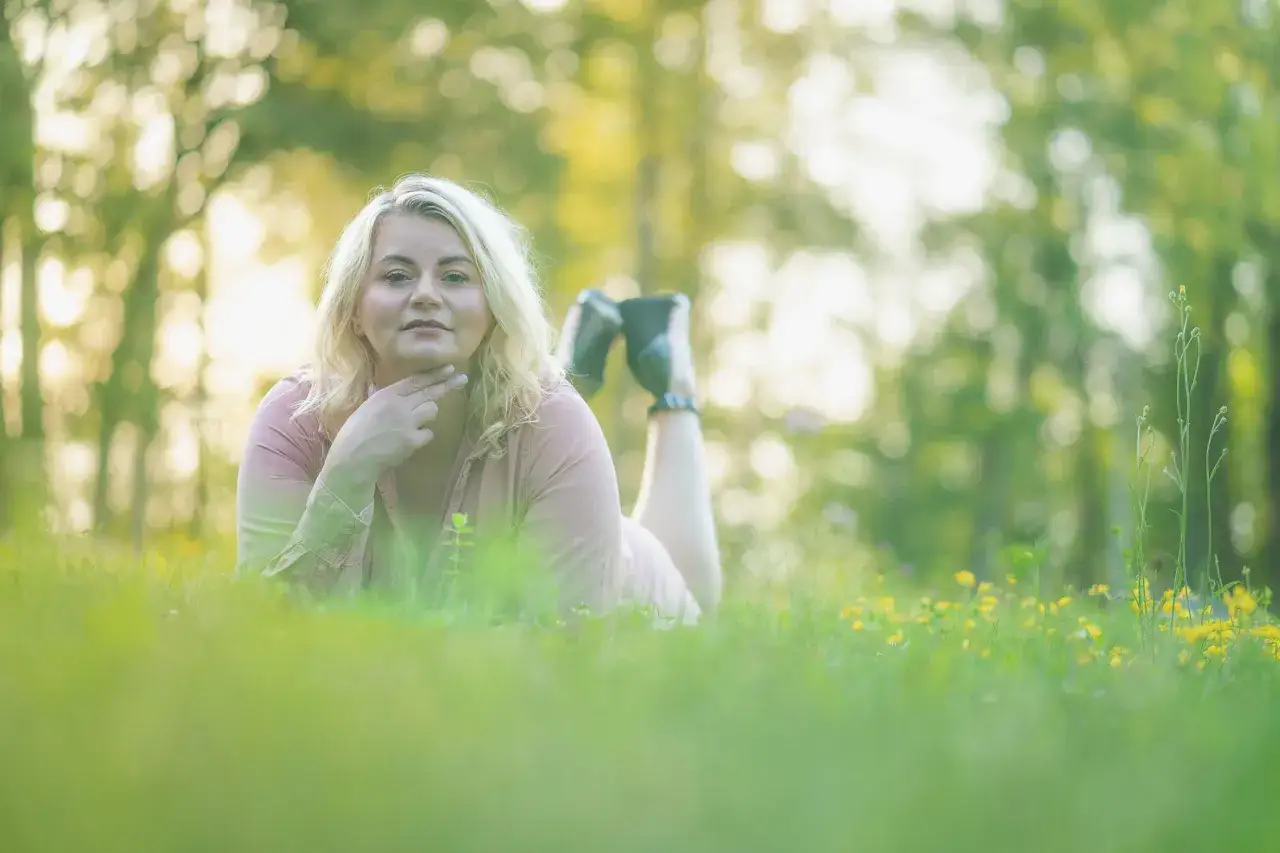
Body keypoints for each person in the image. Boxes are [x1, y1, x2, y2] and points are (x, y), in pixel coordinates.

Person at [234, 173, 721, 624]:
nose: (425, 294)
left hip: (632, 595)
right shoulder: (293, 419)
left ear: (493, 307)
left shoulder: (555, 418)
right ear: (354, 309)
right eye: (397, 276)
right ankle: (575, 369)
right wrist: (344, 478)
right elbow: (260, 630)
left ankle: (671, 381)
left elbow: (568, 650)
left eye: (455, 276)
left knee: (698, 597)